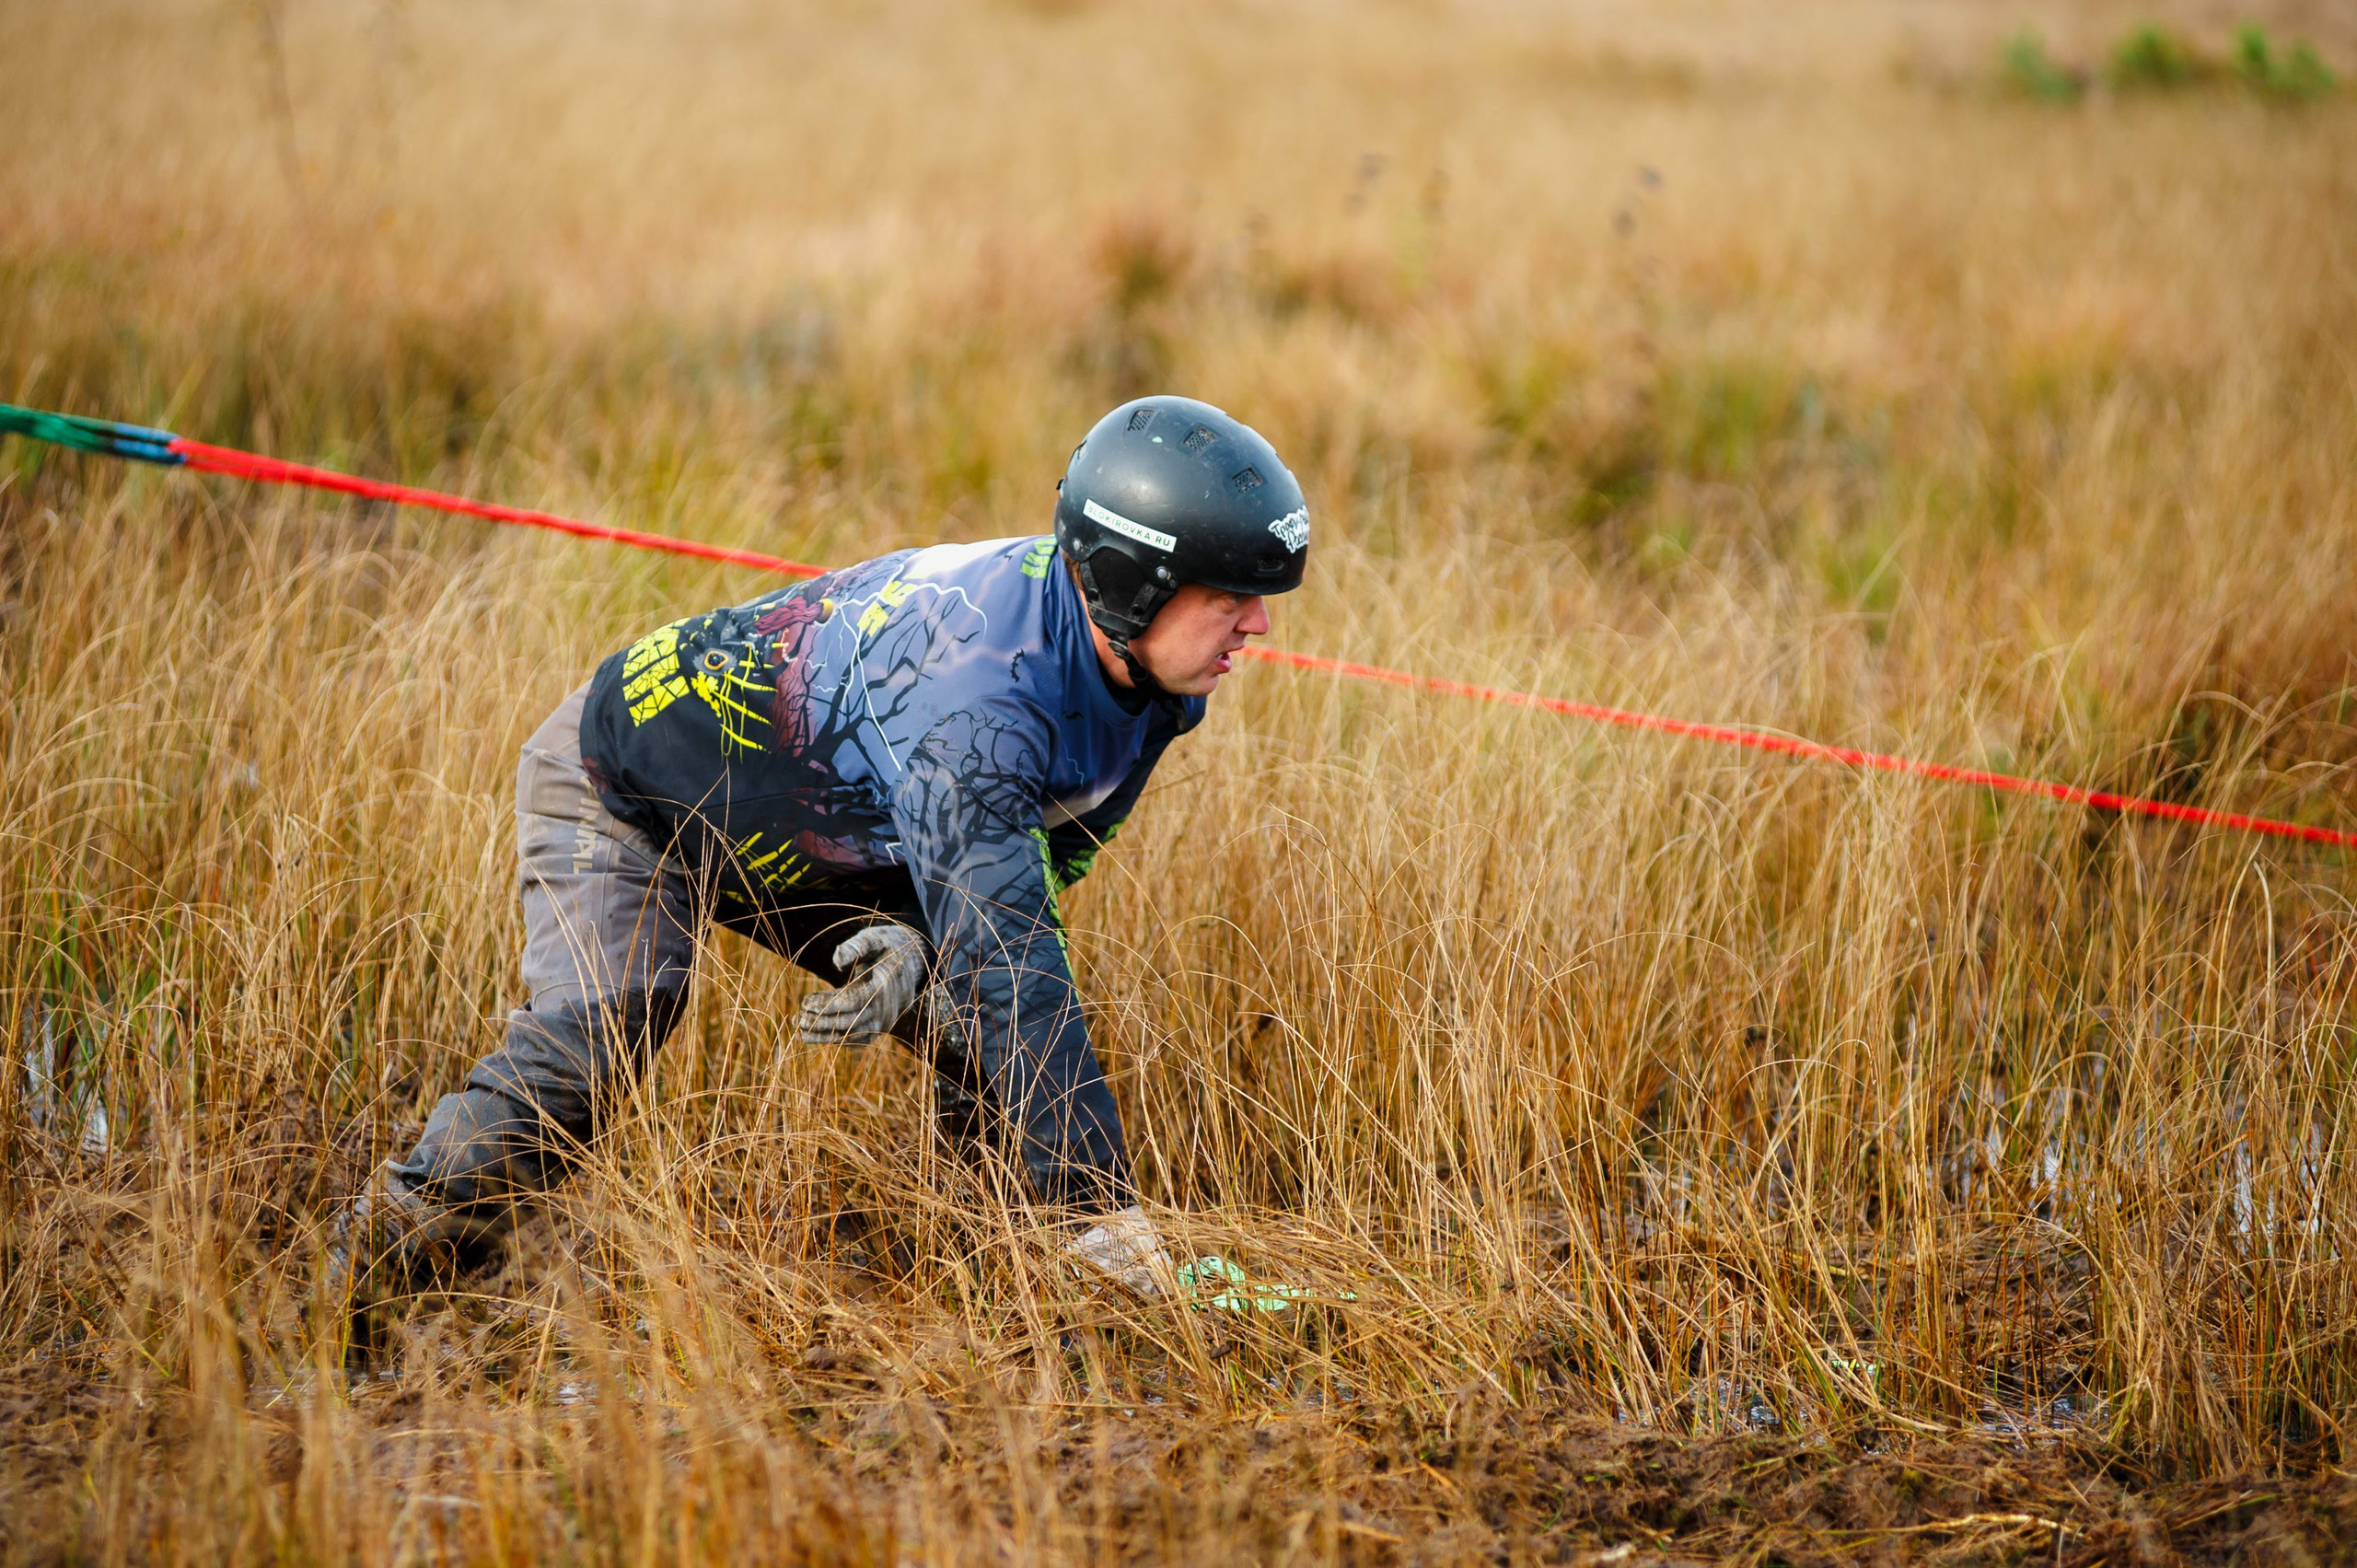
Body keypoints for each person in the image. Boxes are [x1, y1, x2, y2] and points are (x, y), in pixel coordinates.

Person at [331, 395, 1310, 1306]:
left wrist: (920, 936)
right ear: (1133, 582)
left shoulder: (1157, 678)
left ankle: (1003, 1284)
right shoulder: (979, 697)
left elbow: (1042, 866)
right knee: (606, 1032)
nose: (1258, 624)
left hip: (805, 817)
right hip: (625, 781)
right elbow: (1015, 961)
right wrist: (1101, 1211)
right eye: (1231, 595)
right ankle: (359, 1291)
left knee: (977, 1031)